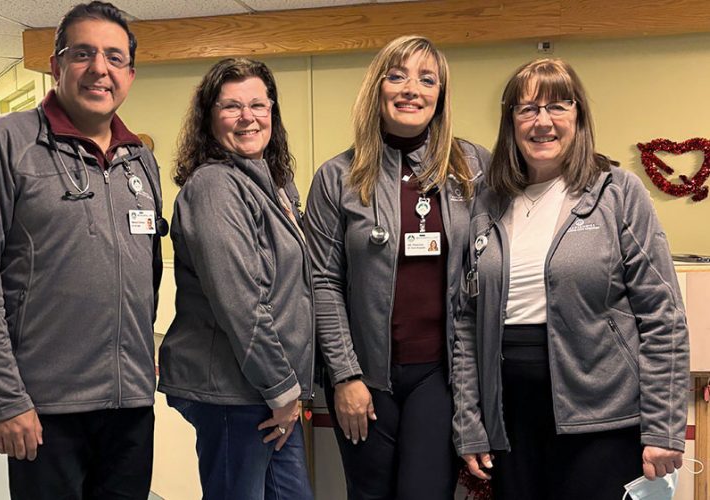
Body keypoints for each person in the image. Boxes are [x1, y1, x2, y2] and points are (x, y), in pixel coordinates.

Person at [0, 2, 165, 498]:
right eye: (82, 53)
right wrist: (6, 399)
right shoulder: (7, 143)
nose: (99, 68)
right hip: (44, 410)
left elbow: (147, 272)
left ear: (130, 74)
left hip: (130, 405)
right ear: (55, 65)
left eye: (114, 57)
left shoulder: (140, 160)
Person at [452, 58, 689, 500]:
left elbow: (663, 316)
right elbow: (466, 322)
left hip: (603, 417)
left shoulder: (617, 192)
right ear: (510, 122)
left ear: (578, 116)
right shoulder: (488, 202)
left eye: (558, 106)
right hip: (510, 421)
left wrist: (664, 426)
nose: (542, 121)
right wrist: (470, 423)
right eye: (527, 108)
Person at [304, 35, 489, 499]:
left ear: (440, 95)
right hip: (365, 378)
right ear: (377, 88)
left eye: (427, 80)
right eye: (397, 76)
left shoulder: (471, 168)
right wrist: (345, 376)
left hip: (440, 377)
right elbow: (323, 282)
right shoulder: (337, 177)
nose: (412, 89)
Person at [157, 58, 314, 500]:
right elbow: (241, 303)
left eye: (258, 105)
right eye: (231, 106)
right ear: (209, 118)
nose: (248, 117)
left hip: (264, 390)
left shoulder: (272, 185)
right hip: (235, 392)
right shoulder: (214, 187)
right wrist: (282, 388)